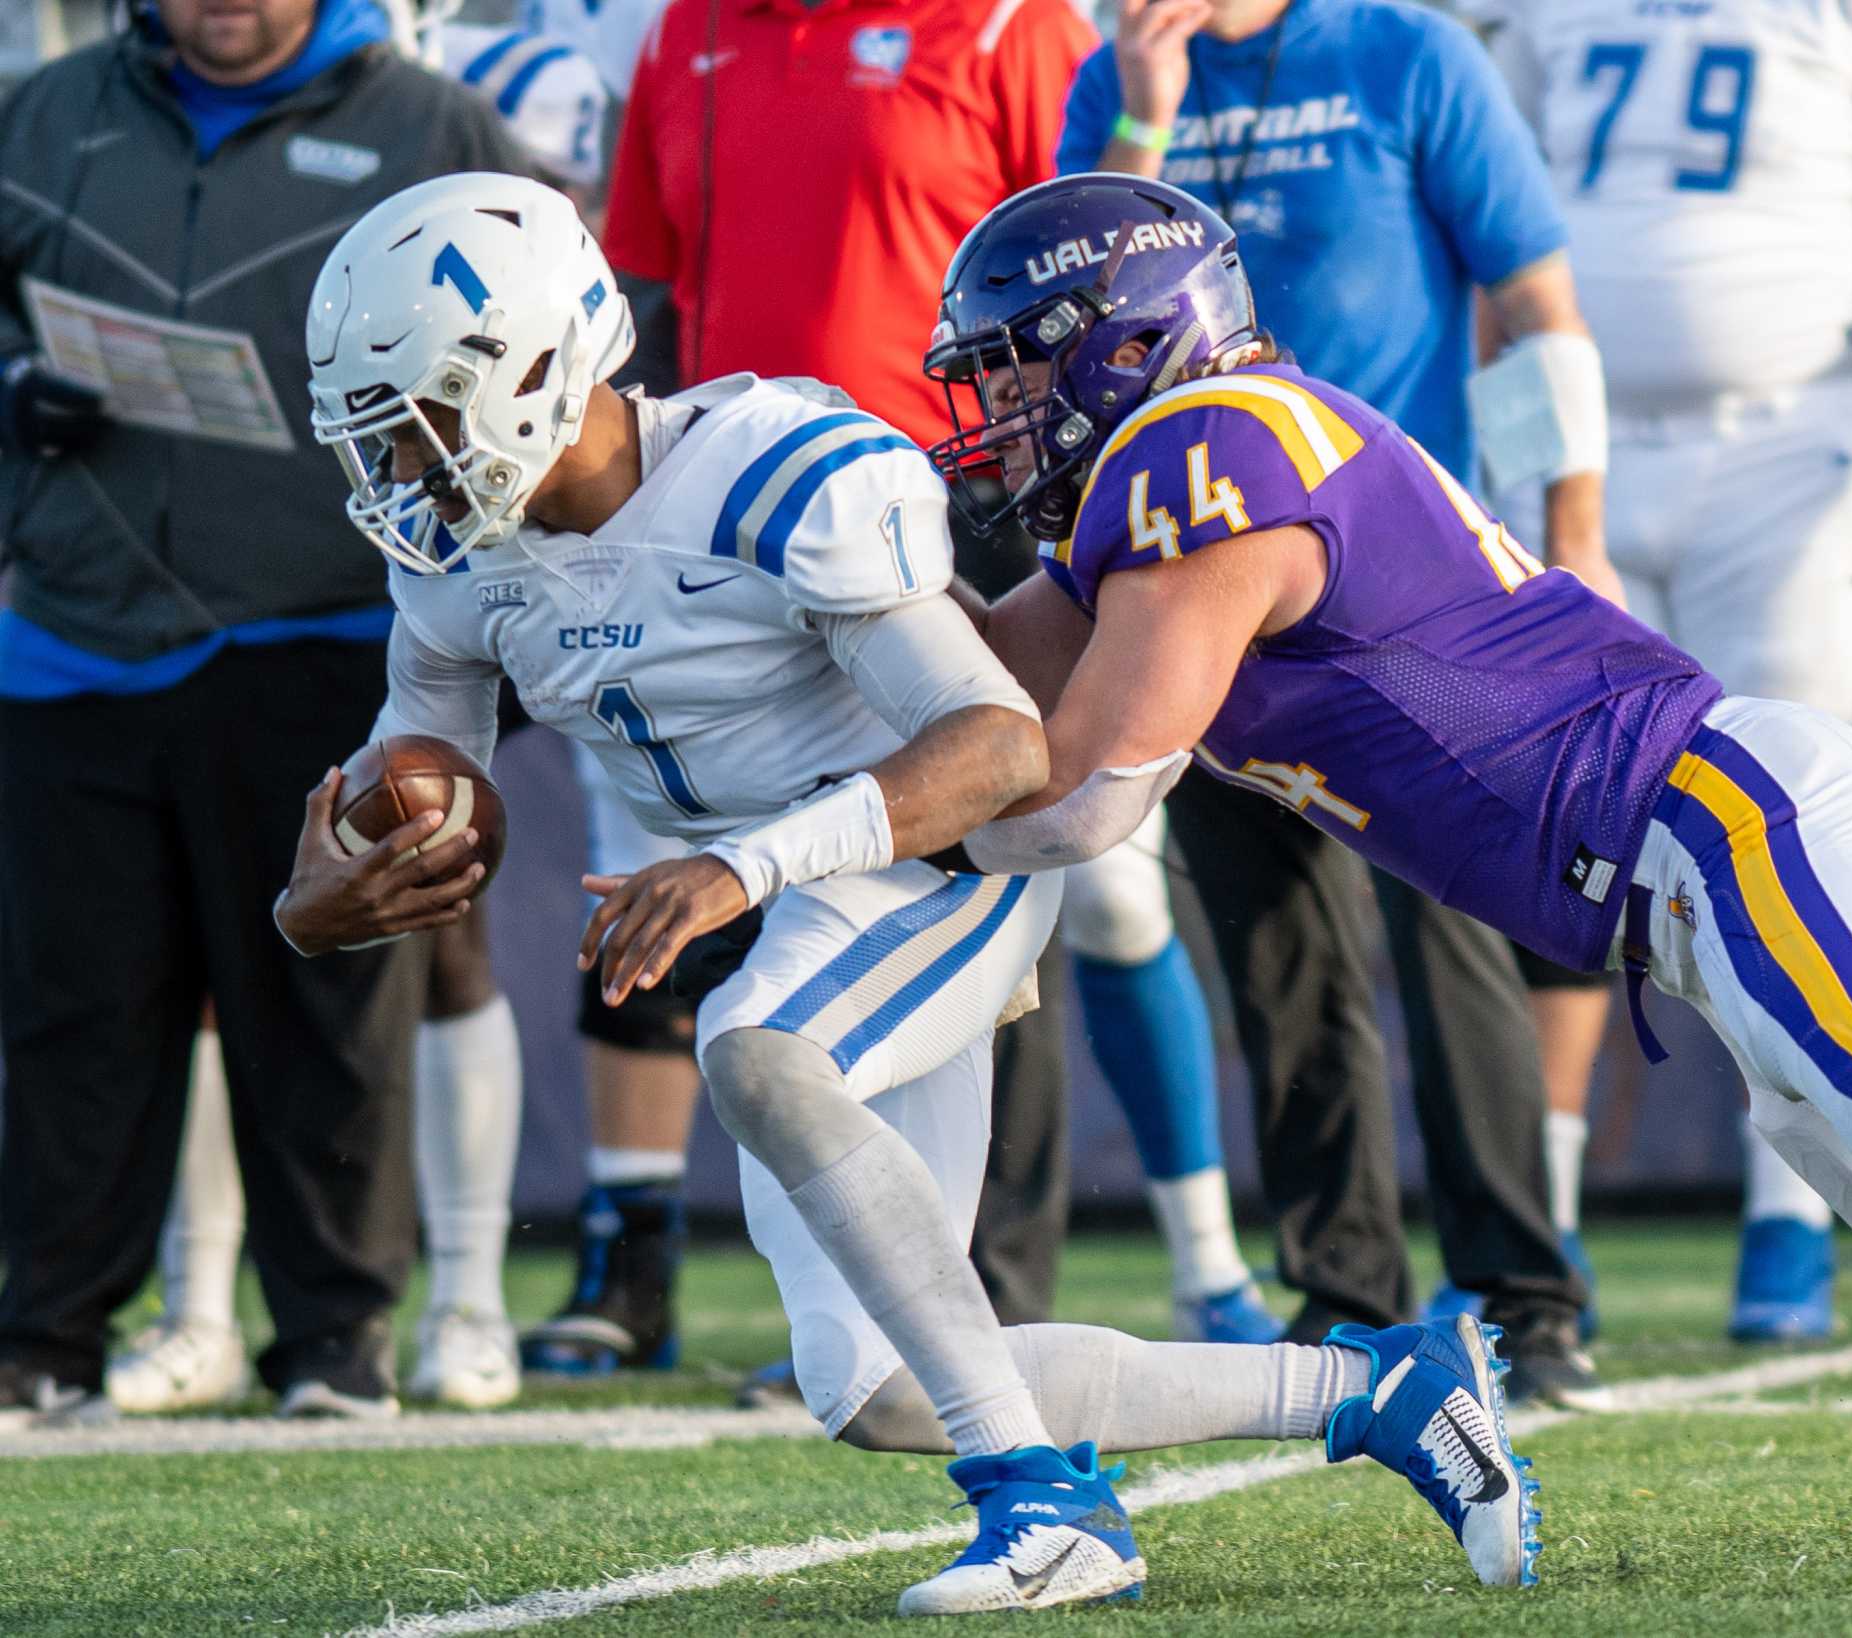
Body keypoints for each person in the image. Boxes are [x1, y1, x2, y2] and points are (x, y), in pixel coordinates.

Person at [281, 171, 1546, 1610]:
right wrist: (365, 855)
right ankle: (1380, 1384)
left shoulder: (773, 472)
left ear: (530, 370)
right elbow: (431, 744)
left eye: (427, 419)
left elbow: (1000, 746)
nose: (407, 467)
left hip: (936, 853)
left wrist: (740, 862)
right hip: (788, 902)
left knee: (756, 1049)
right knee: (883, 1380)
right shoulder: (462, 562)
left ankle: (1049, 1507)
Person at [925, 172, 1852, 1380]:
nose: (1000, 405)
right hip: (1680, 874)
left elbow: (1086, 795)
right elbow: (986, 686)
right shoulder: (1179, 475)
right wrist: (845, 594)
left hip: (1715, 813)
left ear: (1125, 338)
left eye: (1015, 365)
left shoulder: (1201, 450)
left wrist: (860, 836)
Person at [604, 0, 1281, 1362]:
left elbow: (1097, 238)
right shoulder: (691, 30)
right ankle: (932, 1290)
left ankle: (1188, 1258)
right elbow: (652, 292)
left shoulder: (1003, 23)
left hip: (966, 490)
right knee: (908, 871)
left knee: (1081, 874)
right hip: (751, 537)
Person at [1058, 0, 1609, 1395]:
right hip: (1203, 580)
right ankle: (1349, 1293)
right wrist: (1143, 103)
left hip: (1402, 585)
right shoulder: (1108, 77)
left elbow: (1536, 303)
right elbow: (1069, 322)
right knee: (1280, 953)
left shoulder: (1407, 53)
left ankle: (1520, 1296)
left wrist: (1576, 523)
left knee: (1455, 933)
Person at [0, 0, 533, 1425]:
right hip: (72, 633)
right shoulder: (48, 113)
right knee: (76, 1013)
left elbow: (546, 344)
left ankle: (335, 1342)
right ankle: (44, 1335)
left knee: (329, 1000)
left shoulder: (432, 125)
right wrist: (10, 395)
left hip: (330, 630)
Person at [1470, 0, 1852, 1339]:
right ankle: (1541, 1235)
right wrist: (1503, 452)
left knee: (1784, 848)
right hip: (1583, 452)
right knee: (1560, 835)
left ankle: (1787, 1228)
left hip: (1793, 443)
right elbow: (1495, 236)